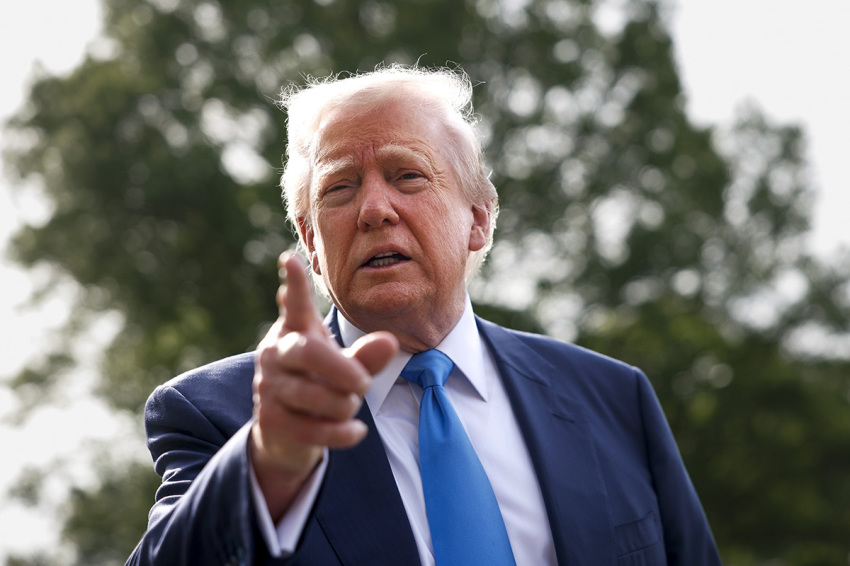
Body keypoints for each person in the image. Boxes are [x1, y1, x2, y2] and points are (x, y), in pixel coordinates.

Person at [127, 65, 721, 565]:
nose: (374, 209)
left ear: (479, 218)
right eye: (340, 188)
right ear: (310, 240)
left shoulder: (614, 398)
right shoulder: (219, 416)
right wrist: (270, 462)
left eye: (407, 174)